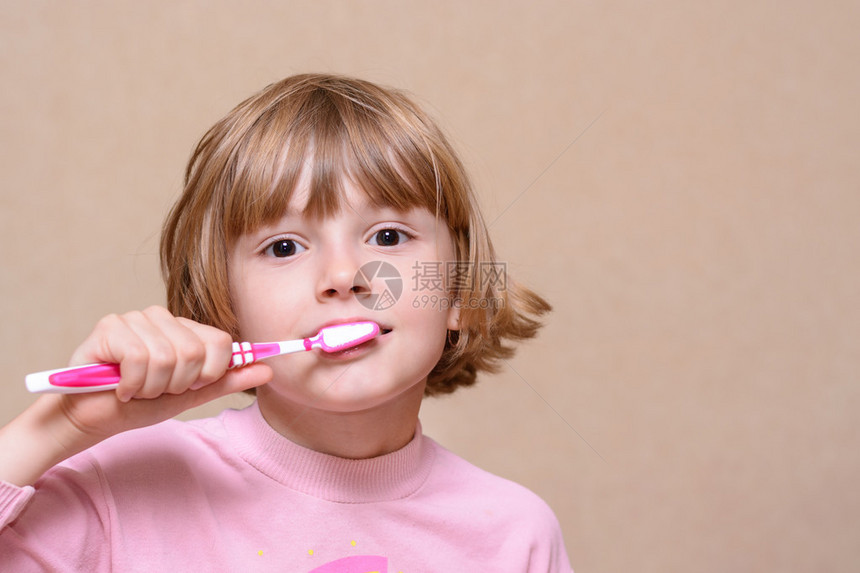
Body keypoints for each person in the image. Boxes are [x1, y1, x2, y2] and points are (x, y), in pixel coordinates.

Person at [0, 73, 572, 571]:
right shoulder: (113, 491)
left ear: (459, 291)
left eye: (389, 237)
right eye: (283, 247)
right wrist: (57, 430)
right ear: (226, 309)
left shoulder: (515, 534)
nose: (343, 275)